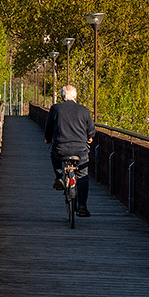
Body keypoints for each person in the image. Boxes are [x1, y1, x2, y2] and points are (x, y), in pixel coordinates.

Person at [44, 84, 95, 217]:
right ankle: (82, 206)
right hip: (80, 149)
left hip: (61, 147)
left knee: (54, 154)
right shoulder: (84, 110)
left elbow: (48, 127)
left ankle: (59, 178)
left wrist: (48, 139)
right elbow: (91, 130)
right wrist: (89, 137)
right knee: (83, 175)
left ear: (61, 97)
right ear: (76, 96)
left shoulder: (55, 109)